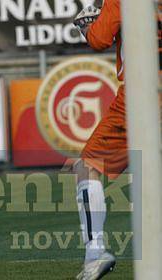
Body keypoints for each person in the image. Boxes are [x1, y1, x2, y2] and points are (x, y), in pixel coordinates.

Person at [72, 0, 131, 279]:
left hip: (145, 93)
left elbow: (98, 40)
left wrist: (88, 27)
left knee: (88, 166)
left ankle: (95, 253)